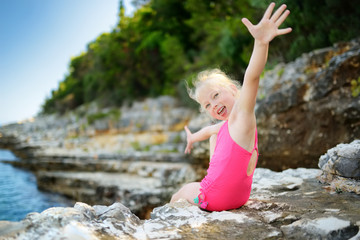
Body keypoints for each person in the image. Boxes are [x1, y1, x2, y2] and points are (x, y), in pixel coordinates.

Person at [170, 2, 292, 211]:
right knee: (214, 134)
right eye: (208, 104)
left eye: (216, 95)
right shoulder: (228, 125)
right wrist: (192, 137)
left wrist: (261, 43)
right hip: (239, 198)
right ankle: (210, 179)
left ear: (234, 91)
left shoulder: (242, 115)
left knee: (180, 193)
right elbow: (208, 130)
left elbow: (252, 77)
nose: (214, 104)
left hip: (216, 199)